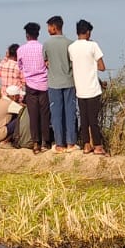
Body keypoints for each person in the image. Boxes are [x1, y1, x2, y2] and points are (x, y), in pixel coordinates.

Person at [68, 19, 107, 154]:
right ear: (88, 32)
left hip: (80, 89)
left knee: (84, 120)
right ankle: (98, 146)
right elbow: (102, 67)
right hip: (93, 89)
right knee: (93, 120)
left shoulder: (71, 47)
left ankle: (86, 145)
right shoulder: (93, 45)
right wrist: (92, 64)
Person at [43, 16, 78, 152]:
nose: (48, 29)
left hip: (54, 84)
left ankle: (59, 144)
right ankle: (71, 143)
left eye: (49, 27)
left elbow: (45, 61)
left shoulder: (47, 44)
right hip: (69, 82)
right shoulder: (70, 44)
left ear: (54, 27)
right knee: (70, 113)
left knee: (56, 115)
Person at [18, 23, 50, 154]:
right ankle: (45, 142)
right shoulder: (43, 48)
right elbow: (48, 64)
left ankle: (35, 143)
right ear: (38, 34)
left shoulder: (21, 50)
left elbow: (20, 67)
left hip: (30, 85)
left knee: (33, 115)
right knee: (44, 115)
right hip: (44, 84)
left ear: (27, 35)